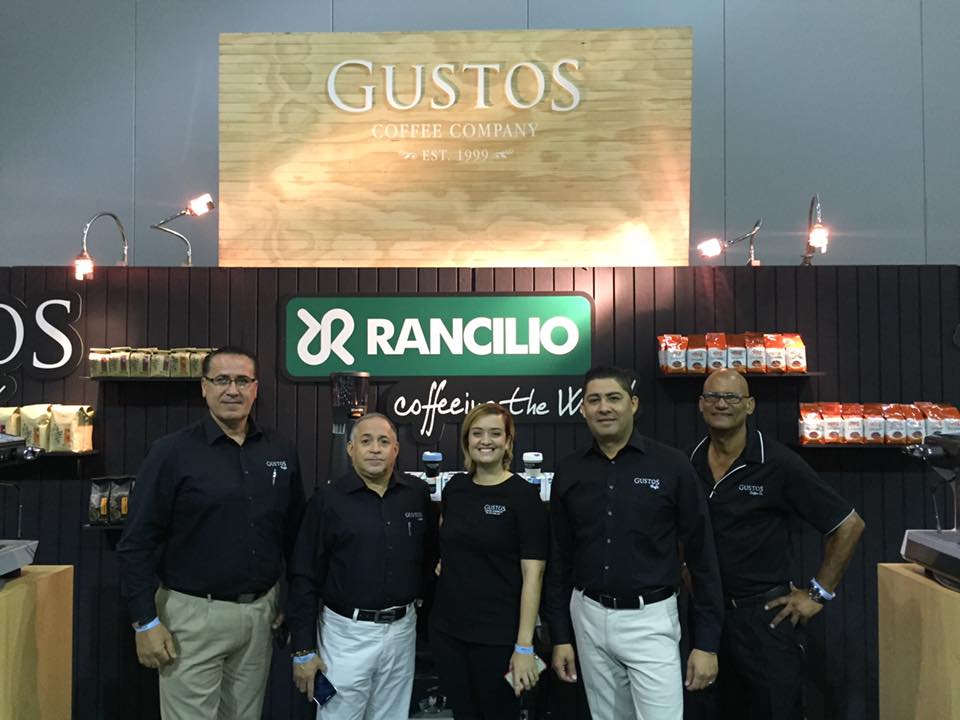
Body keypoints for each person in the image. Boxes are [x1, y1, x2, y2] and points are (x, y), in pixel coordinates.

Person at [117, 346, 305, 720]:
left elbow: (294, 535)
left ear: (255, 388)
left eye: (242, 381)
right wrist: (145, 621)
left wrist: (290, 600)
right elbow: (136, 542)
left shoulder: (281, 450)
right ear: (204, 388)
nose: (232, 390)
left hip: (260, 614)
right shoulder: (171, 452)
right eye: (221, 380)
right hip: (190, 619)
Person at [545, 366, 724, 720]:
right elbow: (560, 559)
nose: (604, 407)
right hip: (588, 616)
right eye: (594, 400)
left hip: (651, 619)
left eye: (614, 398)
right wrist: (560, 636)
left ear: (634, 404)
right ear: (582, 409)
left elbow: (702, 555)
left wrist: (707, 643)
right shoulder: (569, 470)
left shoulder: (671, 465)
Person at [687, 369, 865, 720]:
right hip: (707, 619)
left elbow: (849, 525)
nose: (721, 404)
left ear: (750, 405)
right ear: (701, 404)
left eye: (732, 397)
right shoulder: (691, 460)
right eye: (712, 397)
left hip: (764, 620)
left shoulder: (778, 463)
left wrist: (818, 594)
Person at [287, 412, 436, 719]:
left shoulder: (416, 494)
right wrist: (303, 649)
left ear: (396, 449)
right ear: (350, 449)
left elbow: (429, 554)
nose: (375, 449)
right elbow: (303, 575)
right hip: (345, 636)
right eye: (366, 441)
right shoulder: (328, 500)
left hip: (402, 631)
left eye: (384, 441)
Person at [430, 402, 550, 719]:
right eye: (477, 433)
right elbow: (448, 541)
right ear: (466, 441)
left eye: (495, 433)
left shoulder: (523, 496)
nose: (486, 441)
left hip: (498, 638)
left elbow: (534, 574)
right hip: (448, 633)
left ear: (508, 442)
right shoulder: (455, 488)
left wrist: (524, 646)